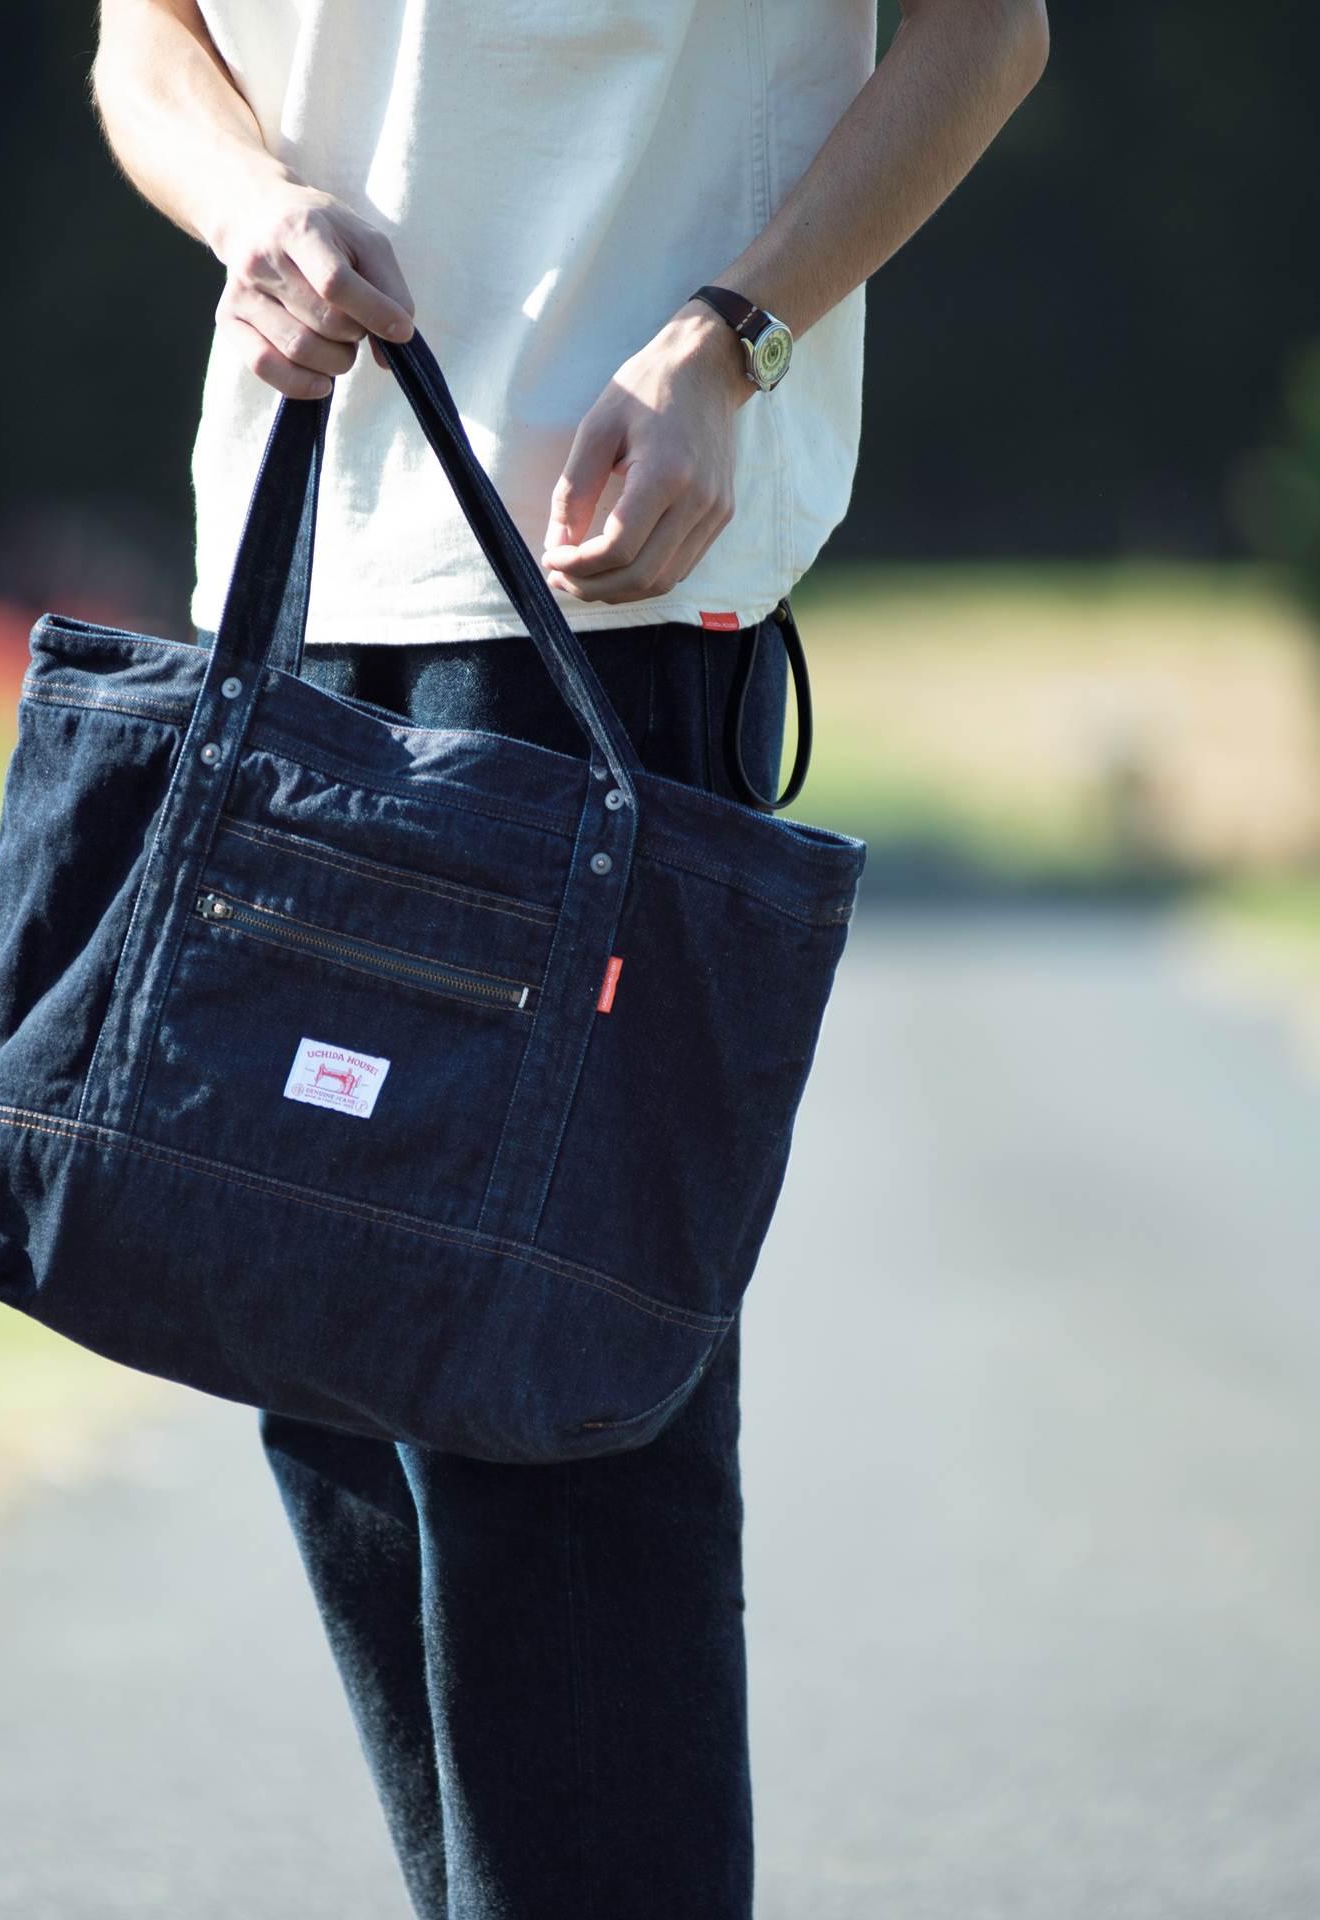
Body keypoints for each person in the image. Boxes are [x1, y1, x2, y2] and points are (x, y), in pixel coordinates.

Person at [90, 2, 1048, 1912]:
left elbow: (984, 32)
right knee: (336, 1383)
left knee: (567, 1427)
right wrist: (251, 207)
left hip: (614, 588)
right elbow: (142, 43)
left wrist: (736, 335)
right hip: (302, 566)